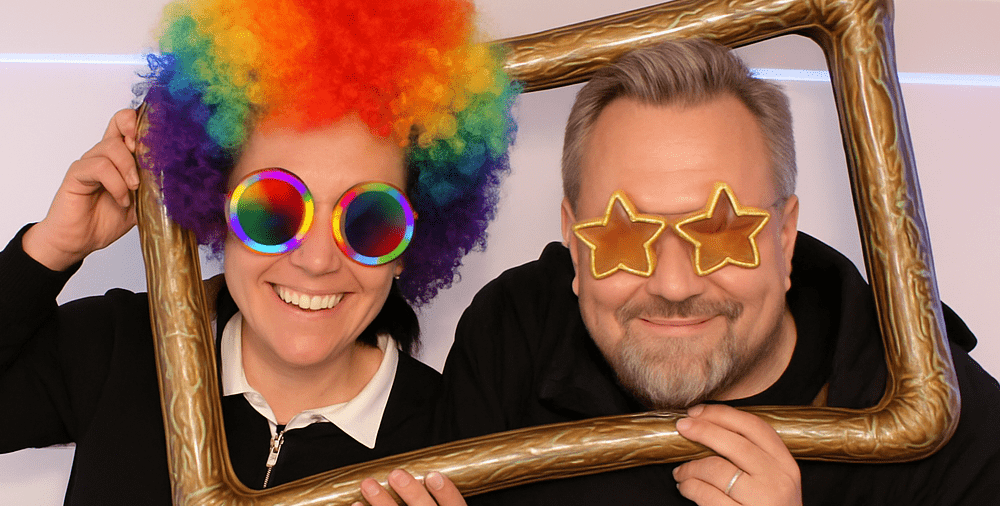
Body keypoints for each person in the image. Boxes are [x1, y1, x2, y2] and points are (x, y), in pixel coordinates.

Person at [0, 0, 515, 505]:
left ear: (410, 240)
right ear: (217, 204)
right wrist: (52, 248)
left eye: (369, 219)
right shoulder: (125, 350)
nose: (316, 260)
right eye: (275, 209)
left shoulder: (449, 451)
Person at [427, 39, 1000, 505]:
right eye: (625, 236)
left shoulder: (936, 408)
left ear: (784, 237)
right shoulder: (511, 335)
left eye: (722, 233)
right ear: (574, 244)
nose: (674, 286)